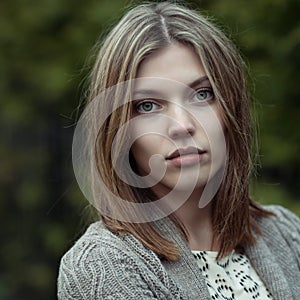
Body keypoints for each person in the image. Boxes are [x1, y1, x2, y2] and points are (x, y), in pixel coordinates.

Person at [57, 2, 300, 299]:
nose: (182, 125)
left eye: (202, 94)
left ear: (232, 109)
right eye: (148, 105)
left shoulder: (286, 233)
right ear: (118, 130)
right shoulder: (103, 265)